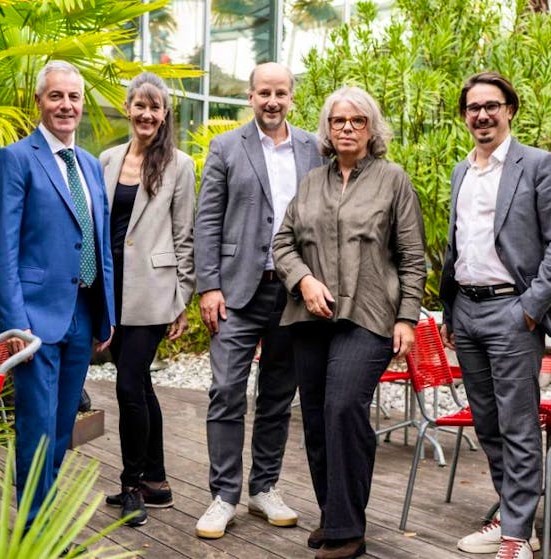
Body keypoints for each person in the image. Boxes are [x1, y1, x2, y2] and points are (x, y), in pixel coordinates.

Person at [273, 86, 426, 559]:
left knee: (343, 408)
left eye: (357, 121)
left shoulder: (393, 180)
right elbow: (282, 244)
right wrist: (304, 282)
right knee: (317, 420)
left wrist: (407, 319)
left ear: (371, 128)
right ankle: (333, 514)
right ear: (326, 128)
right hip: (310, 316)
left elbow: (413, 257)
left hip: (370, 315)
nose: (346, 128)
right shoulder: (311, 182)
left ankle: (348, 530)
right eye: (338, 120)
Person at [439, 72, 551, 559]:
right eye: (473, 107)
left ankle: (517, 539)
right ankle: (513, 516)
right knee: (488, 424)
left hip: (512, 312)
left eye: (492, 105)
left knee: (518, 425)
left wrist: (529, 308)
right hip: (467, 311)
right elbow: (458, 247)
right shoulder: (462, 171)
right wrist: (450, 311)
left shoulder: (538, 165)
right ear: (464, 116)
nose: (482, 115)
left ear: (510, 110)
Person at [193, 61, 323, 540]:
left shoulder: (315, 147)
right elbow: (206, 221)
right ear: (250, 97)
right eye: (264, 92)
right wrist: (209, 285)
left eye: (281, 93)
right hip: (236, 291)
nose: (272, 100)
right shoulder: (226, 147)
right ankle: (223, 495)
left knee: (277, 396)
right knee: (226, 391)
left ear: (292, 97)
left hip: (293, 293)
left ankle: (263, 487)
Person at [0, 60, 115, 527]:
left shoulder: (91, 166)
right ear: (39, 101)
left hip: (83, 312)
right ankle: (34, 531)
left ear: (82, 103)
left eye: (74, 97)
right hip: (34, 320)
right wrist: (14, 323)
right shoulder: (15, 159)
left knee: (62, 426)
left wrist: (108, 312)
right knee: (37, 426)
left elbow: (98, 242)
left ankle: (43, 517)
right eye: (56, 96)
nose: (66, 105)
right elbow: (2, 251)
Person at [98, 72, 196, 527]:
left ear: (165, 113)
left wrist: (182, 297)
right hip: (111, 290)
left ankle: (132, 483)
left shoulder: (180, 164)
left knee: (127, 384)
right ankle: (157, 480)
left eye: (155, 107)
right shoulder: (106, 158)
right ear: (128, 107)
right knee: (138, 384)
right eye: (140, 105)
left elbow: (185, 236)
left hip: (154, 291)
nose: (146, 114)